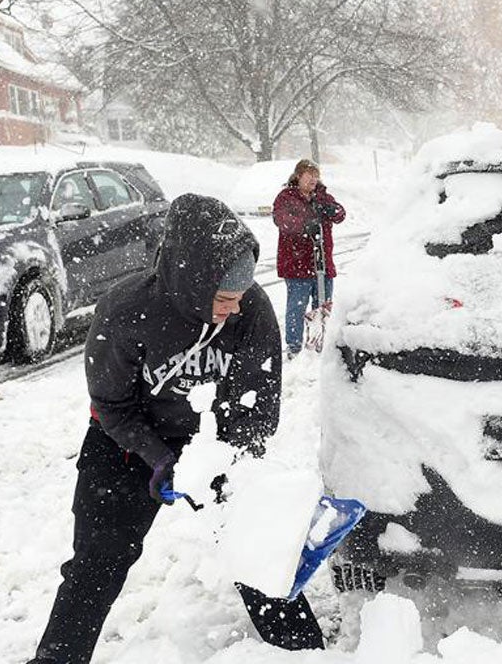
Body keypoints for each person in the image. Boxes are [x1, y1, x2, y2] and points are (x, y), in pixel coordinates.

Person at [28, 194, 324, 664]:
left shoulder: (253, 313)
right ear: (193, 282)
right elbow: (112, 405)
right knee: (99, 559)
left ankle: (306, 652)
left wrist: (217, 463)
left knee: (254, 544)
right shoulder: (125, 310)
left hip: (213, 442)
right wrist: (159, 458)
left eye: (240, 298)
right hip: (125, 441)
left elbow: (256, 411)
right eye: (224, 299)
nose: (233, 309)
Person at [272, 159, 346, 356]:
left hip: (323, 263)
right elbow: (281, 219)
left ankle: (320, 343)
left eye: (316, 175)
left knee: (323, 306)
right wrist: (305, 225)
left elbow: (340, 214)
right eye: (309, 174)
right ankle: (294, 347)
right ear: (298, 176)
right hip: (297, 264)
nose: (314, 178)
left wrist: (332, 210)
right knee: (297, 307)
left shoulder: (323, 197)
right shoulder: (286, 197)